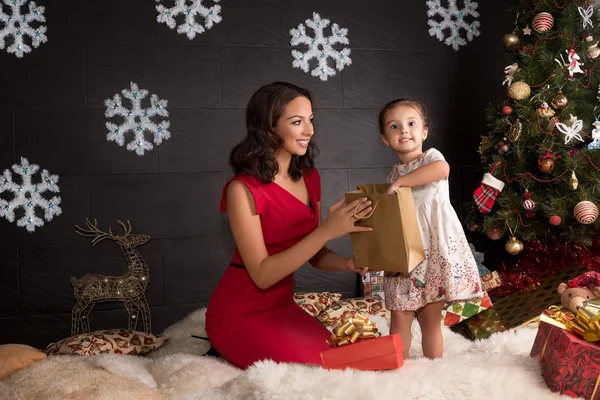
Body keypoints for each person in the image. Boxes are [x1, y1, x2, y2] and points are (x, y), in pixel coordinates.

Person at [206, 81, 372, 369]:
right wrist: (327, 231)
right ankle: (226, 345)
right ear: (268, 127)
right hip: (238, 314)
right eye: (297, 122)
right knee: (315, 370)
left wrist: (350, 264)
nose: (309, 130)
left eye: (310, 120)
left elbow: (315, 255)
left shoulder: (309, 177)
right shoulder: (241, 189)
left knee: (337, 360)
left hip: (283, 307)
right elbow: (262, 275)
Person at [379, 98, 482, 359]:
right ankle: (396, 370)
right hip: (405, 251)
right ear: (384, 138)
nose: (404, 130)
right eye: (394, 126)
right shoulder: (393, 175)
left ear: (424, 131)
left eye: (411, 124)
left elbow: (441, 169)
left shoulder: (431, 158)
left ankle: (434, 370)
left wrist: (401, 183)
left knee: (430, 319)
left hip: (433, 250)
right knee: (399, 313)